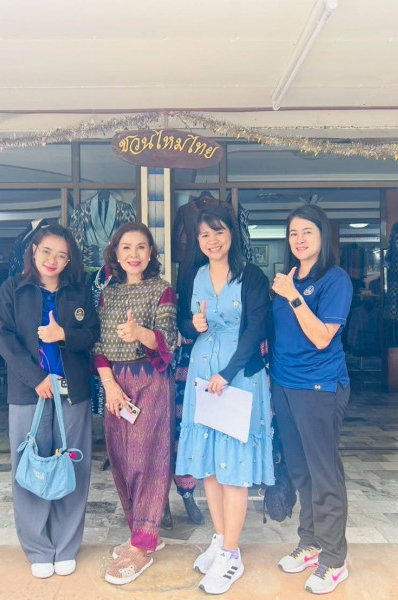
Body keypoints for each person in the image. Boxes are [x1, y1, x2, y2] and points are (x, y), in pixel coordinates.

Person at [174, 205, 275, 595]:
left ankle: (232, 553)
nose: (212, 241)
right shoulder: (193, 276)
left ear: (232, 234)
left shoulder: (252, 277)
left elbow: (256, 329)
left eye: (218, 232)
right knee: (211, 466)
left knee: (233, 466)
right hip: (203, 376)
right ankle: (220, 539)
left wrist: (227, 374)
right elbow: (184, 323)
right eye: (204, 235)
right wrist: (193, 324)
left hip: (238, 378)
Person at [0, 223, 99, 580]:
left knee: (73, 466)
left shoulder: (79, 291)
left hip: (73, 391)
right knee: (31, 466)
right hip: (29, 393)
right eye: (47, 251)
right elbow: (4, 339)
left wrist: (63, 335)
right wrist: (35, 378)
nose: (53, 260)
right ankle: (38, 548)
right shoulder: (13, 289)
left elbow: (91, 335)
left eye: (62, 255)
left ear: (70, 260)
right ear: (34, 251)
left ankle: (66, 546)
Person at [270, 204, 353, 595]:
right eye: (293, 233)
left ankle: (334, 560)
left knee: (324, 474)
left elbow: (322, 337)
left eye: (307, 232)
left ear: (322, 235)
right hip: (285, 385)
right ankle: (311, 542)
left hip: (319, 387)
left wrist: (293, 297)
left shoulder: (335, 280)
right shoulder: (287, 278)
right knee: (300, 470)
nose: (299, 239)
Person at [93, 222, 177, 586]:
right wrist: (110, 385)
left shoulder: (162, 289)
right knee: (121, 460)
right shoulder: (107, 294)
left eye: (141, 247)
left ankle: (143, 543)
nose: (133, 254)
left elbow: (169, 339)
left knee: (148, 459)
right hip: (115, 385)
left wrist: (139, 333)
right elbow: (98, 345)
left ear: (151, 253)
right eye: (126, 247)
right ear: (115, 252)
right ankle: (140, 533)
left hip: (151, 380)